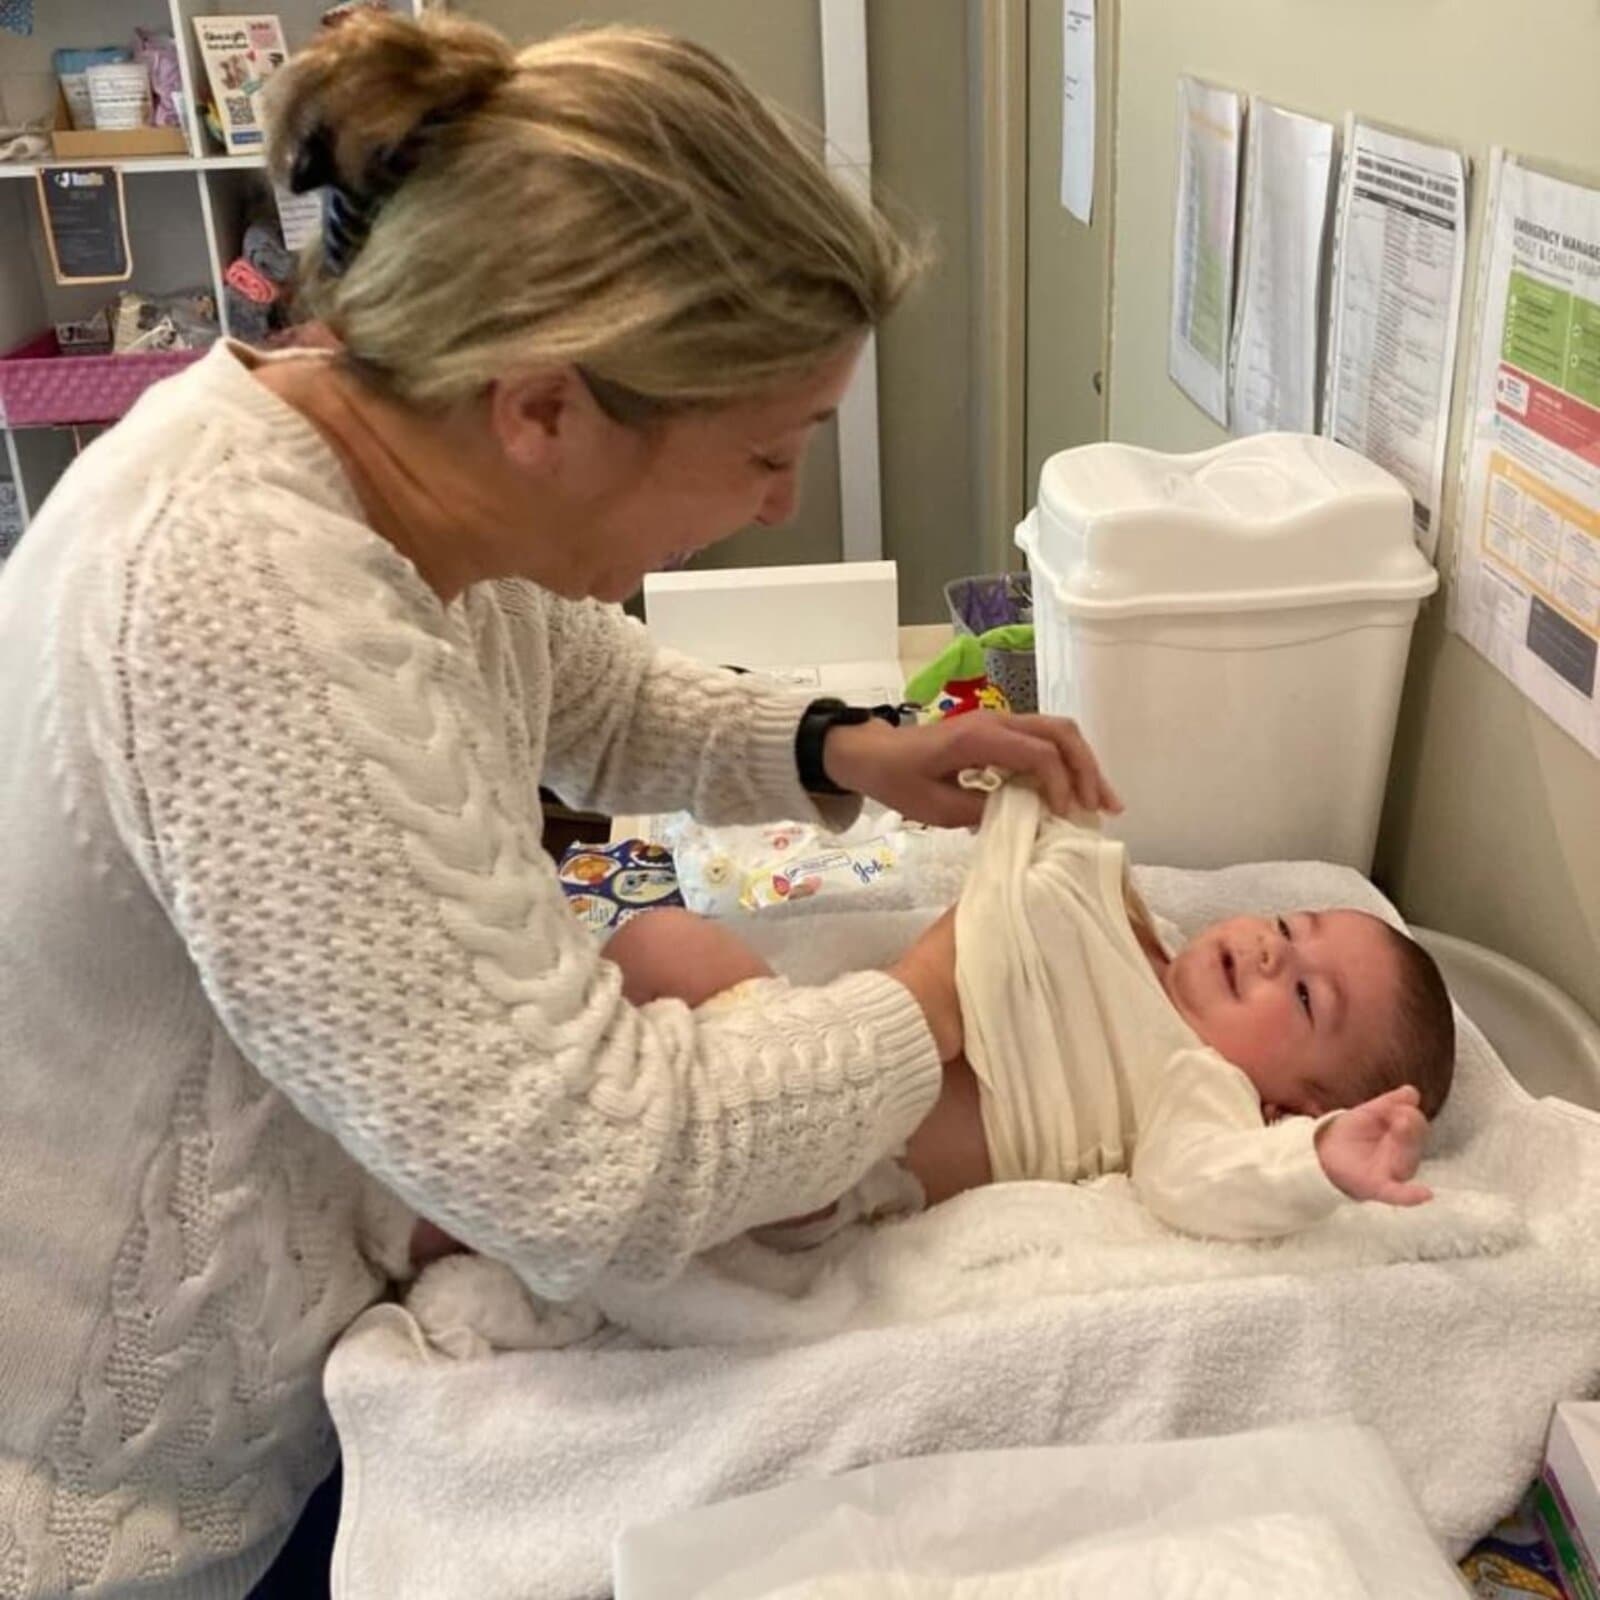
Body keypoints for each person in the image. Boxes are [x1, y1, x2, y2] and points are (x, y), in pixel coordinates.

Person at [0, 15, 1117, 1597]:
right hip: (106, 1492)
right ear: (544, 408)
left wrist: (847, 749)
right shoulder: (242, 603)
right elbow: (599, 1174)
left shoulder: (379, 451)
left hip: (292, 1360)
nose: (781, 505)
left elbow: (580, 689)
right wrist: (943, 989)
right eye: (767, 451)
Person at [609, 780, 1456, 1243]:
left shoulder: (1197, 1084)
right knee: (664, 942)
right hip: (806, 1038)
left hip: (832, 1162)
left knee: (625, 1150)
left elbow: (1195, 1184)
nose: (1274, 951)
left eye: (1306, 996)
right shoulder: (1134, 936)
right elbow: (1058, 862)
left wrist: (1309, 1161)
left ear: (1288, 1105)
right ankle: (548, 1065)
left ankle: (514, 1186)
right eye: (1286, 926)